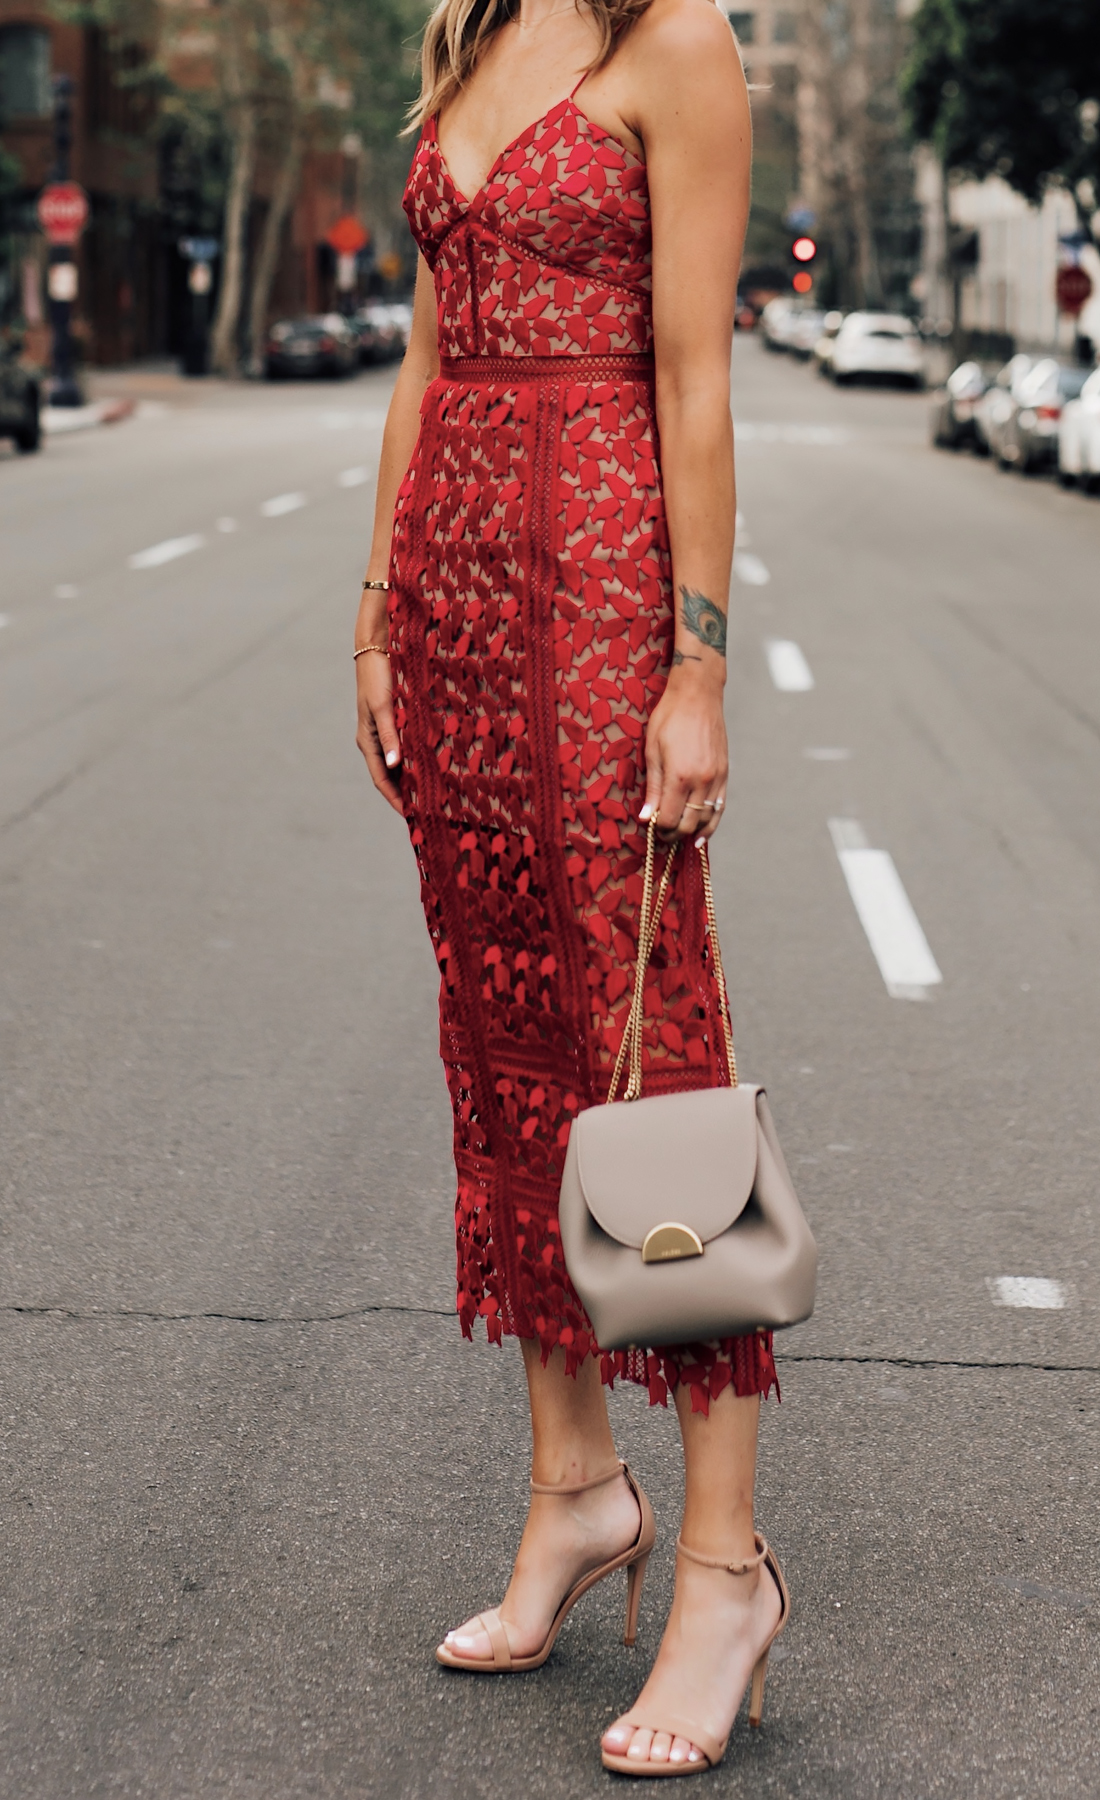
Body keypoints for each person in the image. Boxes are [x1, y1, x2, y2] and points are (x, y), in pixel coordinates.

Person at [354, 0, 787, 1773]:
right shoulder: (469, 31)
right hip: (454, 599)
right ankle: (571, 1490)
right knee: (506, 1047)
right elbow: (425, 356)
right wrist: (379, 608)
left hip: (602, 589)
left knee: (647, 1056)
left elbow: (692, 371)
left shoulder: (677, 39)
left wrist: (699, 667)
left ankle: (723, 1569)